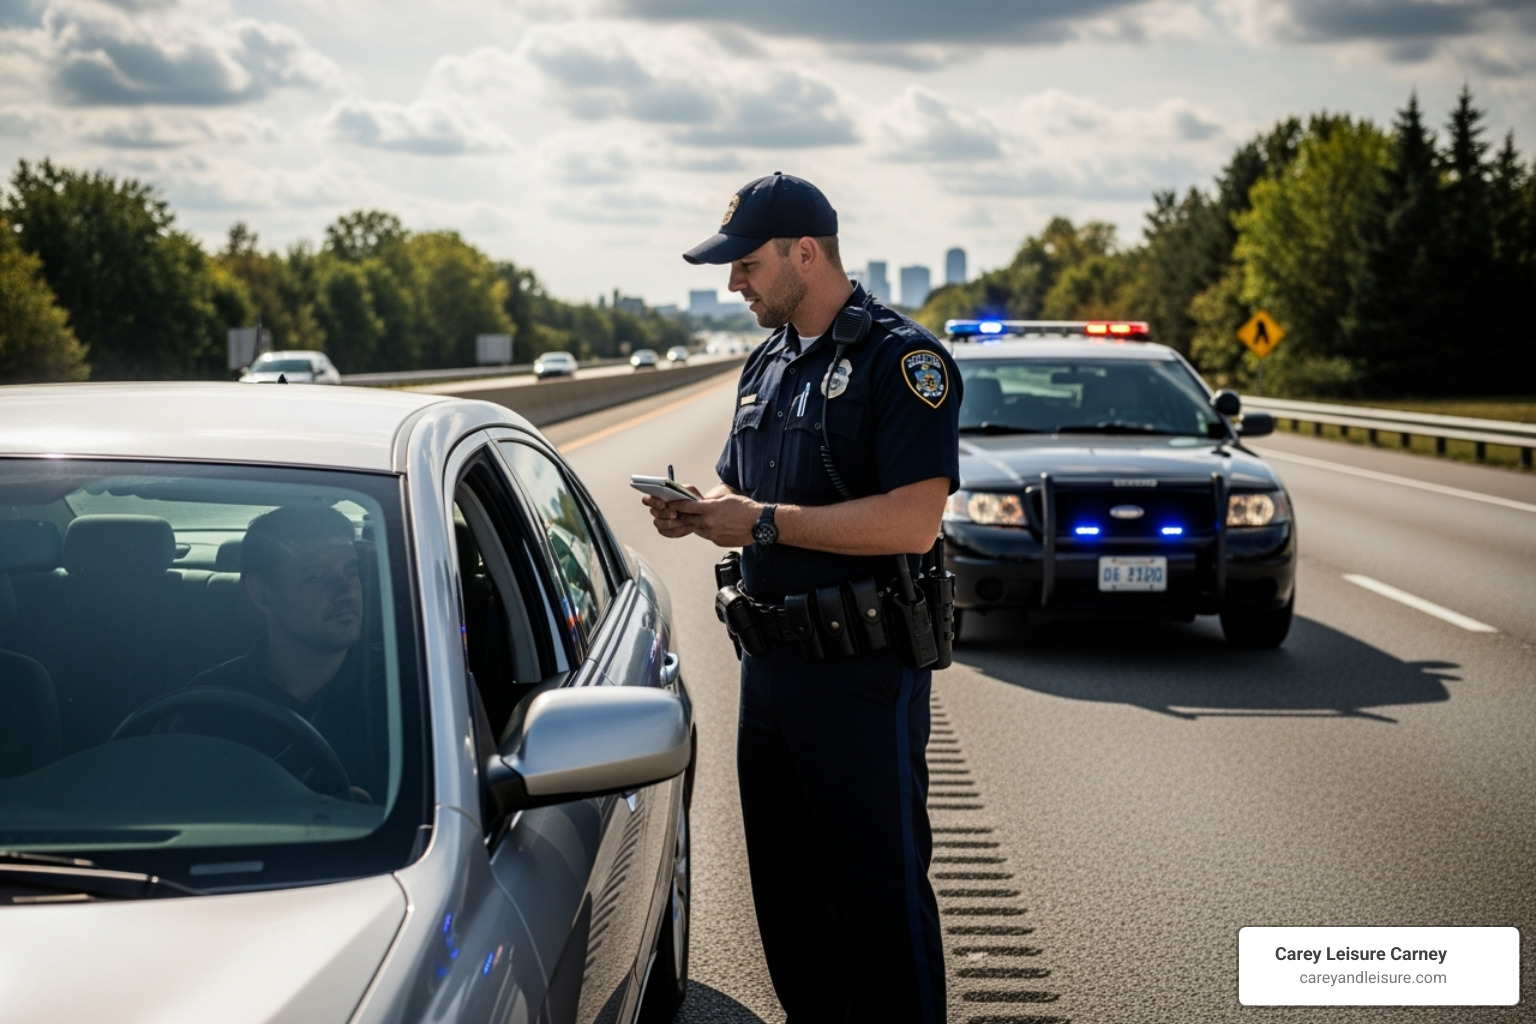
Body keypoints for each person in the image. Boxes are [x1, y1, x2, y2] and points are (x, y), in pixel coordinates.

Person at [645, 172, 960, 1023]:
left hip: (861, 672)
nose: (733, 284)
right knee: (786, 904)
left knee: (877, 904)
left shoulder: (904, 361)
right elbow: (742, 488)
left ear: (805, 254)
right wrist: (703, 514)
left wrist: (764, 526)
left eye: (745, 266)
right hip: (769, 669)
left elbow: (914, 521)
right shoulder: (769, 359)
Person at [184, 505, 386, 801]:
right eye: (317, 576)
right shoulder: (204, 706)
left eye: (351, 571)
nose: (347, 590)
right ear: (262, 595)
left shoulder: (412, 692)